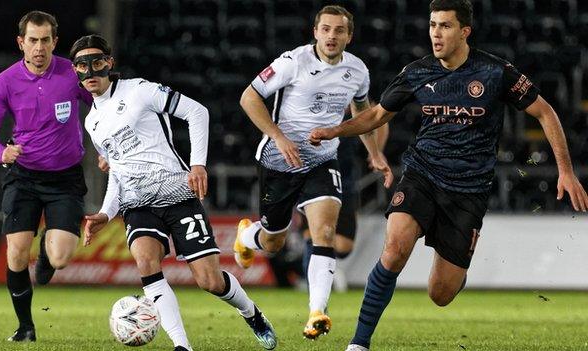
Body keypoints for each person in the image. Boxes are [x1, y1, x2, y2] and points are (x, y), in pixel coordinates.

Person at [308, 1, 588, 350]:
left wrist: (565, 171)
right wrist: (336, 130)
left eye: (445, 26)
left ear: (464, 31)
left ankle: (458, 270)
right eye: (432, 25)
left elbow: (545, 113)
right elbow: (378, 114)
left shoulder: (495, 71)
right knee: (394, 249)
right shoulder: (417, 72)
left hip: (468, 192)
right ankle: (359, 343)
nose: (435, 34)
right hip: (422, 174)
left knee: (440, 294)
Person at [73, 34, 277, 351]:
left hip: (177, 194)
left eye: (97, 63)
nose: (90, 73)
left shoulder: (140, 90)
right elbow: (118, 170)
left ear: (109, 63)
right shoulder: (93, 122)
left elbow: (197, 113)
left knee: (209, 281)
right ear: (75, 71)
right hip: (137, 204)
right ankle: (182, 346)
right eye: (82, 66)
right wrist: (106, 212)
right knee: (145, 260)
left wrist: (197, 165)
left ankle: (250, 312)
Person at [234, 5, 393, 340]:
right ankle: (247, 236)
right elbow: (248, 97)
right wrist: (279, 136)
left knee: (324, 231)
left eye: (339, 30)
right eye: (325, 29)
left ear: (349, 36)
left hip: (323, 160)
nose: (331, 36)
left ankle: (316, 312)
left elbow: (362, 114)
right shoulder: (293, 62)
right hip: (280, 160)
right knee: (273, 241)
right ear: (315, 31)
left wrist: (375, 153)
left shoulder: (357, 71)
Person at [0, 11, 93, 342]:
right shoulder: (5, 82)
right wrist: (1, 152)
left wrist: (111, 150)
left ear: (55, 42)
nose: (39, 47)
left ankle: (47, 249)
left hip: (66, 179)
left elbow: (102, 104)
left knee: (60, 258)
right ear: (21, 43)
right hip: (23, 177)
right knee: (14, 253)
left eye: (45, 40)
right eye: (32, 40)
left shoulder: (72, 74)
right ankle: (26, 327)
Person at [301, 113, 389, 292]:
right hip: (314, 174)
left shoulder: (352, 95)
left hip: (346, 178)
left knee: (344, 246)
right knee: (315, 235)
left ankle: (323, 266)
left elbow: (379, 118)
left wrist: (376, 151)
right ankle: (316, 293)